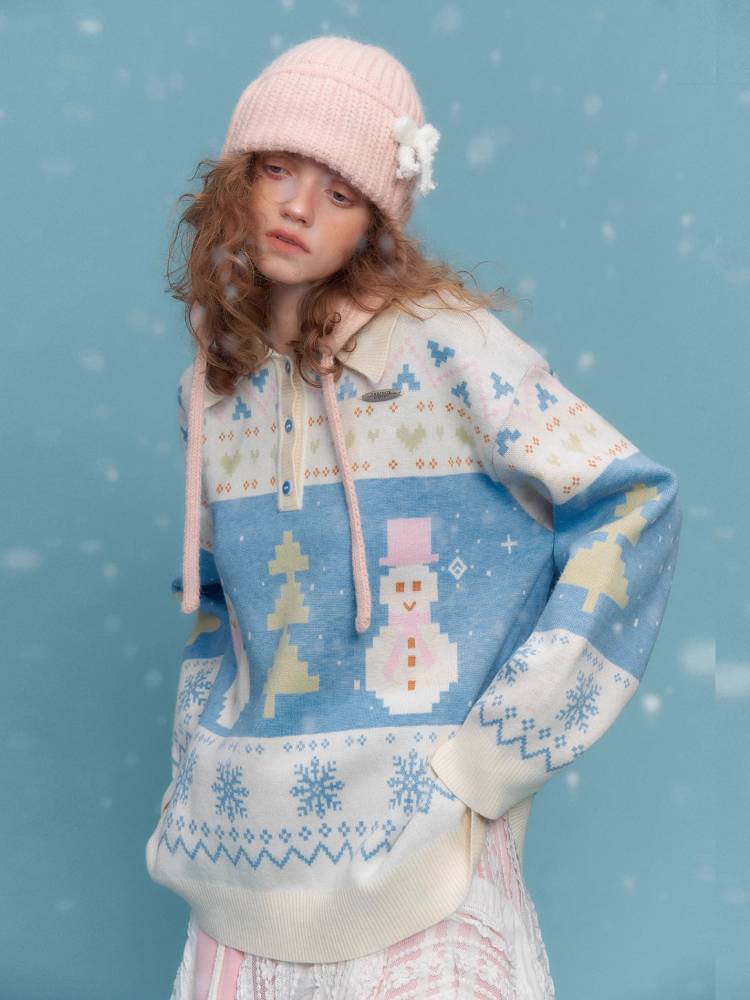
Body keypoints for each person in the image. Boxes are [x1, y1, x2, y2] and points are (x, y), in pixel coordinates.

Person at [145, 35, 682, 1000]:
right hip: (233, 863)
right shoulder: (210, 390)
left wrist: (500, 750)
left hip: (422, 858)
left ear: (376, 223)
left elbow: (634, 505)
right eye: (278, 170)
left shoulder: (446, 351)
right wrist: (195, 755)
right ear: (238, 178)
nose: (299, 208)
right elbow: (221, 604)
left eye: (340, 192)